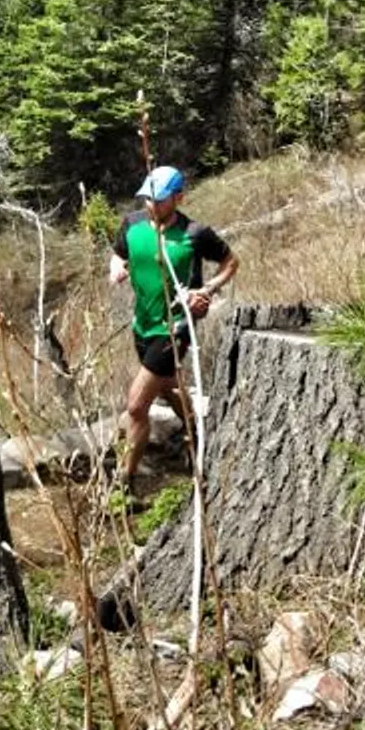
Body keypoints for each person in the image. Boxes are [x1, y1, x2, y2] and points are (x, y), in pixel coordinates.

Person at [107, 164, 239, 501]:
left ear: (178, 197)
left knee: (136, 407)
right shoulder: (133, 223)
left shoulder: (195, 233)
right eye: (147, 198)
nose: (152, 205)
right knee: (165, 385)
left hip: (175, 326)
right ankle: (198, 429)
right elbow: (118, 253)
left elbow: (230, 262)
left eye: (160, 199)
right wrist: (116, 269)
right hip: (143, 323)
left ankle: (125, 485)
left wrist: (206, 290)